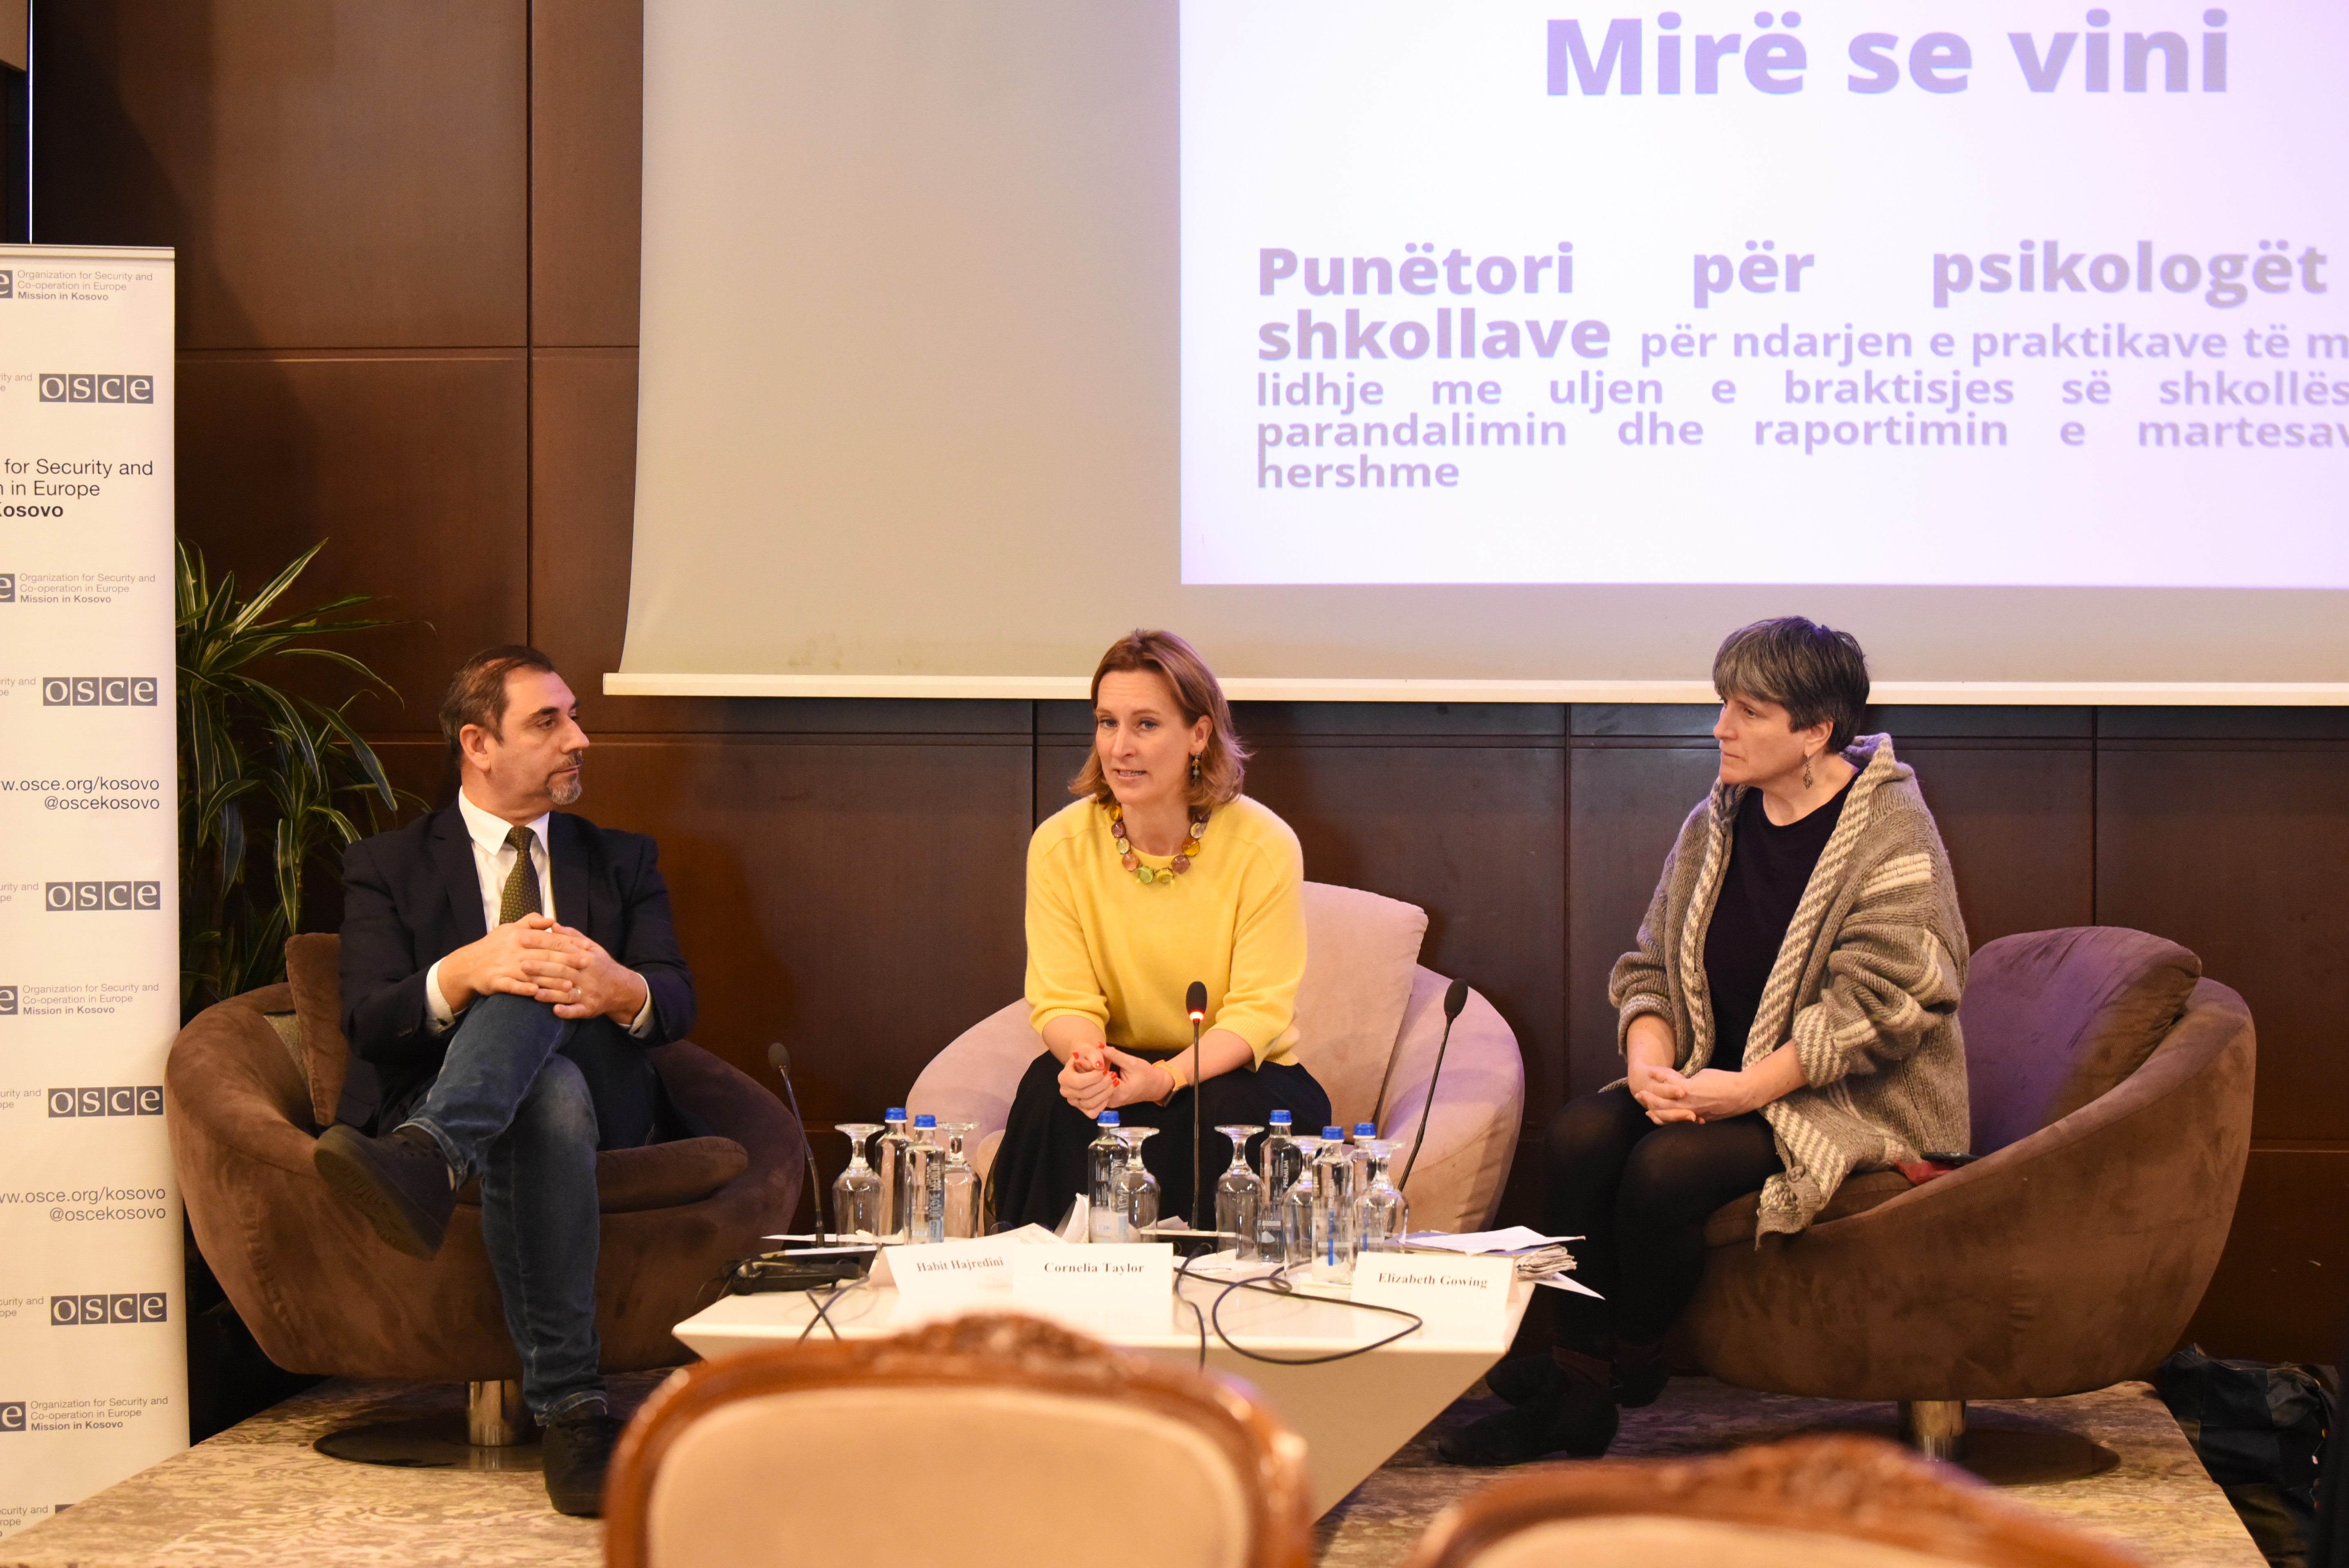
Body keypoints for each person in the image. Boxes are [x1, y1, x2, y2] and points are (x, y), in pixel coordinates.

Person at [1442, 617, 1971, 1466]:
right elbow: (1650, 964)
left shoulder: (1891, 832)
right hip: (1713, 1078)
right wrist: (1647, 1062)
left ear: (1815, 731)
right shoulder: (1714, 821)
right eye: (1723, 704)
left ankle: (1625, 1364)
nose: (1720, 727)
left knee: (1666, 1169)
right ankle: (1578, 1385)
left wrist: (1748, 1089)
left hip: (1845, 1098)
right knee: (1578, 1135)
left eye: (1748, 711)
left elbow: (1892, 999)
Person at [314, 646, 695, 1516]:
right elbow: (368, 1021)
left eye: (574, 717)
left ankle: (428, 1158)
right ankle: (574, 1411)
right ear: (478, 744)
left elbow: (676, 999)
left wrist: (617, 986)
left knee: (543, 981)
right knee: (542, 1085)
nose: (580, 738)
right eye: (548, 722)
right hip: (449, 1084)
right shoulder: (387, 864)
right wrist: (465, 970)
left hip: (608, 1093)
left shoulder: (622, 859)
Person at [991, 630, 1332, 1231]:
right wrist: (1090, 1067)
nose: (1119, 748)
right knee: (1052, 1094)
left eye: (1145, 725)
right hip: (1115, 1062)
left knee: (1223, 1108)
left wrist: (1166, 1079)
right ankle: (1052, 1284)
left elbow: (1258, 1012)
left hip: (1232, 1072)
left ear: (1199, 734)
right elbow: (1063, 999)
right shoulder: (1059, 846)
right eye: (1107, 723)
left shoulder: (1264, 845)